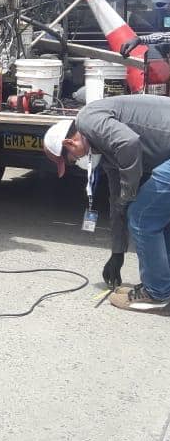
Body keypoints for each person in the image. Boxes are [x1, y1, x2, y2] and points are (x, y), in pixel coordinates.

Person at [43, 95, 170, 314]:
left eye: (72, 159)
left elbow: (129, 143)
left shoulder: (87, 119)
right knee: (156, 215)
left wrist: (130, 192)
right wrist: (117, 252)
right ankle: (162, 285)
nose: (77, 162)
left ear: (69, 143)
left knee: (142, 216)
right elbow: (117, 201)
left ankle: (157, 294)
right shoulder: (106, 149)